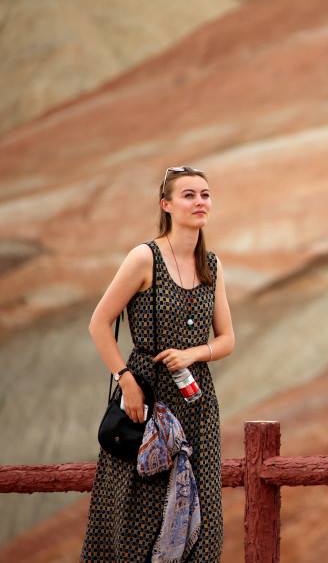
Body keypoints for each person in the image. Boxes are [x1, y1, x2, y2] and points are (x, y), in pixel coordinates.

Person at [81, 165, 235, 562]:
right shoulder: (144, 257)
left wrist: (193, 354)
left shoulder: (211, 266)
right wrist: (126, 380)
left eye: (205, 194)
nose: (199, 202)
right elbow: (99, 323)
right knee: (141, 512)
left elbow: (227, 339)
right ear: (166, 205)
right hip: (146, 397)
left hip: (196, 403)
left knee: (202, 518)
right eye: (189, 195)